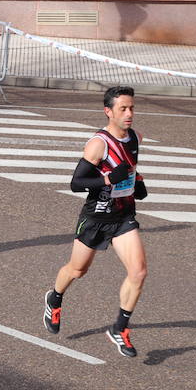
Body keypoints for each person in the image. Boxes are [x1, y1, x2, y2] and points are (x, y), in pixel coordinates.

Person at [42, 85, 149, 358]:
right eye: (123, 109)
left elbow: (131, 168)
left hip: (124, 216)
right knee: (78, 271)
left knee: (138, 272)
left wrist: (137, 183)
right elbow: (77, 182)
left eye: (132, 108)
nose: (129, 114)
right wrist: (108, 179)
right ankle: (54, 297)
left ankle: (119, 328)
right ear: (108, 111)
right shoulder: (98, 144)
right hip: (96, 218)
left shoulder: (136, 137)